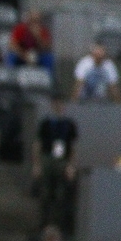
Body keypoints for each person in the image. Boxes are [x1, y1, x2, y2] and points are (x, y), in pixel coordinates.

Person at [33, 95, 78, 232]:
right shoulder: (46, 123)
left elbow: (73, 146)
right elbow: (38, 144)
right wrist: (37, 165)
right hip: (48, 158)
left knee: (61, 193)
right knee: (46, 192)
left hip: (62, 160)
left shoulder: (69, 124)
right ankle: (44, 223)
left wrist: (71, 165)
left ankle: (59, 225)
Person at [7, 10, 54, 75]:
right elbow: (12, 45)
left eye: (37, 21)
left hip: (38, 55)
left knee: (49, 58)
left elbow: (46, 48)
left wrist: (38, 37)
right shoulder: (21, 29)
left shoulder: (43, 31)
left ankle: (49, 78)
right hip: (22, 55)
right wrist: (24, 55)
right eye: (33, 21)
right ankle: (10, 75)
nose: (34, 24)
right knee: (11, 56)